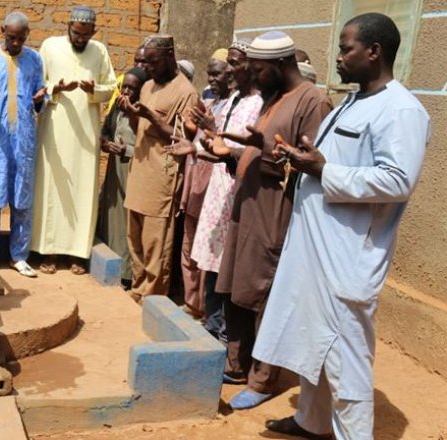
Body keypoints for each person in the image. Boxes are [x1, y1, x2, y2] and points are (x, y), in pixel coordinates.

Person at [258, 14, 430, 439]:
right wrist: (304, 160)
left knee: (345, 357)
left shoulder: (403, 110)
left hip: (348, 257)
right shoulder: (356, 100)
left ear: (374, 52)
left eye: (345, 48)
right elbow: (334, 163)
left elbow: (397, 180)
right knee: (313, 342)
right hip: (317, 249)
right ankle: (312, 422)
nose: (338, 56)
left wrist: (324, 170)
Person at [212, 31, 332, 410]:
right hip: (247, 208)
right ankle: (237, 365)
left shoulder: (313, 102)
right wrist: (230, 153)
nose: (253, 76)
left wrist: (263, 152)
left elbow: (310, 165)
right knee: (237, 289)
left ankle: (264, 380)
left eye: (259, 70)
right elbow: (261, 147)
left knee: (266, 295)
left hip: (276, 215)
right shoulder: (274, 96)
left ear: (281, 66)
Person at [181, 38, 263, 342]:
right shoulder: (230, 101)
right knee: (212, 264)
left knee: (228, 267)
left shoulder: (259, 106)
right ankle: (212, 328)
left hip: (237, 192)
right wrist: (194, 144)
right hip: (217, 192)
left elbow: (243, 151)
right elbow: (212, 144)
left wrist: (218, 141)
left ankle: (227, 336)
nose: (229, 70)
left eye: (234, 63)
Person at [31, 5, 116, 275]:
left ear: (94, 31)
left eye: (85, 34)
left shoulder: (99, 50)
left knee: (83, 189)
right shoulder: (50, 46)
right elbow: (39, 84)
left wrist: (95, 90)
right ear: (68, 26)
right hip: (54, 129)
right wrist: (57, 88)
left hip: (86, 132)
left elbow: (111, 86)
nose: (80, 38)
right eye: (77, 33)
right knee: (51, 187)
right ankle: (48, 251)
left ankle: (79, 254)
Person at [118, 34, 197, 300]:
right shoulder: (148, 86)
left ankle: (153, 295)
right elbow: (137, 128)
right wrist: (130, 112)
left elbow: (182, 138)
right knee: (135, 236)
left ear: (169, 57)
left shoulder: (186, 92)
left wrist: (151, 115)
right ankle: (138, 286)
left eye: (153, 63)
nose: (147, 68)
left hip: (161, 174)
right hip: (139, 170)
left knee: (155, 241)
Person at [0, 12, 46, 277]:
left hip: (23, 140)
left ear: (27, 36)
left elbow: (40, 95)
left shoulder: (35, 59)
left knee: (22, 201)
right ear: (3, 30)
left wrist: (40, 98)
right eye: (11, 37)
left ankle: (19, 256)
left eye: (20, 39)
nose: (15, 43)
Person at [177, 48, 231, 318]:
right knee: (189, 241)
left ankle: (202, 307)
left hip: (214, 181)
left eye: (216, 73)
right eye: (209, 73)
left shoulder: (236, 106)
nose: (211, 79)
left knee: (206, 246)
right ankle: (190, 302)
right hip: (195, 174)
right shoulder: (207, 98)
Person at [96, 67, 147, 288]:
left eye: (132, 88)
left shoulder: (143, 114)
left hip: (133, 172)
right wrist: (107, 143)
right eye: (124, 86)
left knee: (128, 223)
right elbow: (105, 131)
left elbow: (151, 150)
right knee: (111, 217)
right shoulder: (117, 107)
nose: (126, 91)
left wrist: (126, 151)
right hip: (114, 171)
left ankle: (127, 274)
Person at [105, 44, 147, 114]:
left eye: (143, 62)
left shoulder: (154, 84)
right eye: (136, 61)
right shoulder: (122, 80)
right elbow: (111, 112)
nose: (139, 66)